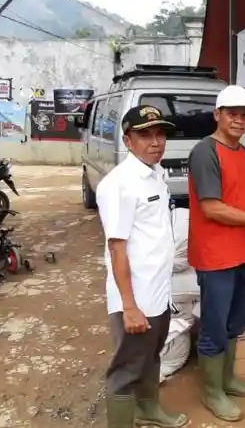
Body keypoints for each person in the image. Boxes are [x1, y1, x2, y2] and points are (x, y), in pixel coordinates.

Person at [96, 105, 188, 428]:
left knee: (151, 357)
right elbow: (117, 248)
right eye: (145, 135)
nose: (156, 141)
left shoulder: (156, 175)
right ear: (128, 140)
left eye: (160, 133)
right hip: (135, 297)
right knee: (126, 369)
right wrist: (129, 306)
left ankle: (149, 410)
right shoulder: (119, 184)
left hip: (157, 292)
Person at [187, 85, 245, 422]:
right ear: (217, 114)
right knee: (214, 325)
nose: (239, 120)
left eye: (244, 114)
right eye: (232, 113)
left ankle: (227, 378)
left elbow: (237, 201)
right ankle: (212, 392)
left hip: (240, 252)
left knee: (236, 321)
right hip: (214, 255)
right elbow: (211, 208)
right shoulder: (205, 152)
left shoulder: (241, 151)